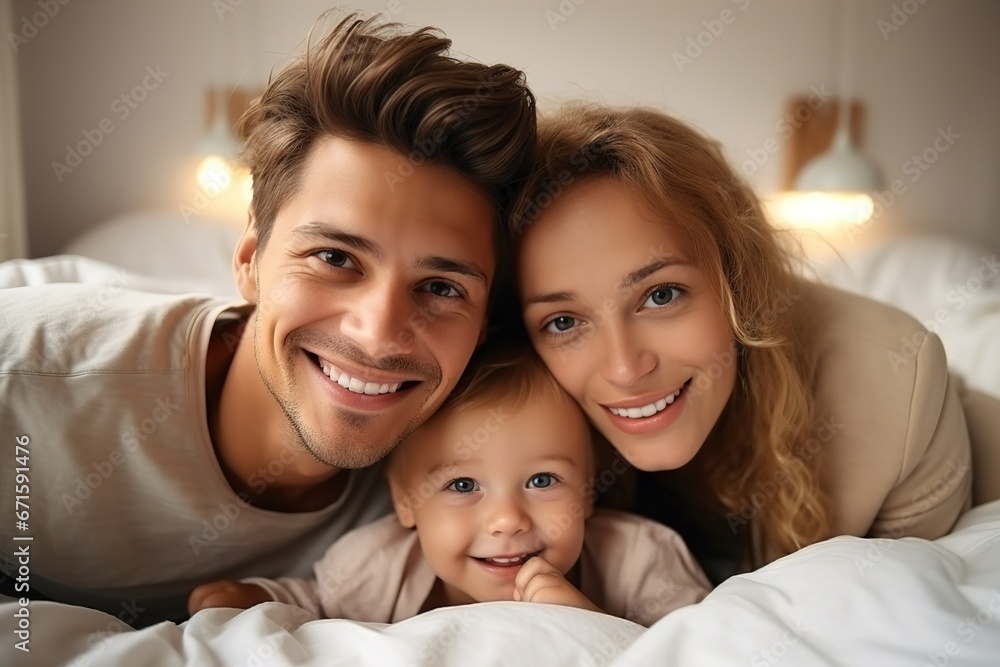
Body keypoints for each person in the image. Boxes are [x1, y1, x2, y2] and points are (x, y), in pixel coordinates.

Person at [0, 13, 535, 627]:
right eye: (335, 258)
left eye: (440, 287)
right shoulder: (24, 381)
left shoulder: (476, 465)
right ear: (250, 258)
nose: (379, 334)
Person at [511, 103, 1000, 582]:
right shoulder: (516, 408)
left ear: (738, 281)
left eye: (661, 295)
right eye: (563, 322)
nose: (624, 368)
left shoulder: (896, 392)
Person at [187, 342, 711, 626]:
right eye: (462, 486)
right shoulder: (376, 566)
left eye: (543, 480)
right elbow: (320, 602)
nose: (507, 520)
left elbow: (699, 649)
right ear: (404, 501)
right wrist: (257, 596)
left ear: (588, 492)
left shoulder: (641, 559)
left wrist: (588, 627)